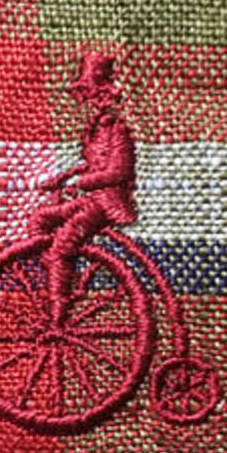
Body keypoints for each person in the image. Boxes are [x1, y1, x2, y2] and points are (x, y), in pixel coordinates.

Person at [29, 54, 138, 314]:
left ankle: (60, 310)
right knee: (40, 219)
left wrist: (82, 183)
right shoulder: (97, 129)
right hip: (91, 199)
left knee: (62, 245)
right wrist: (63, 178)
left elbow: (118, 172)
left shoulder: (116, 130)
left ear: (104, 94)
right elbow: (93, 165)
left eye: (90, 92)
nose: (87, 99)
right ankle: (56, 278)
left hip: (106, 203)